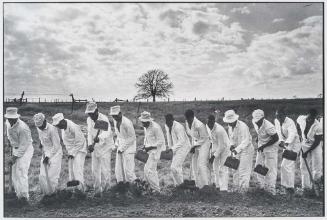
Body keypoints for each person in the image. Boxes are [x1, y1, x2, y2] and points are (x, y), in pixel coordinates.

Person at [52, 113, 87, 198]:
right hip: (72, 150)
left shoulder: (73, 127)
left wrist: (73, 153)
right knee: (71, 170)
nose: (58, 127)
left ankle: (81, 191)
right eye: (56, 125)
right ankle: (73, 190)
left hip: (80, 149)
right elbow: (66, 143)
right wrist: (70, 153)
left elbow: (80, 141)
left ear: (63, 121)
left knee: (77, 168)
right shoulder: (63, 127)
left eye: (58, 125)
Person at [5, 107, 34, 206]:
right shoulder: (8, 122)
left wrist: (14, 157)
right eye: (8, 118)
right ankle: (17, 194)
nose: (10, 120)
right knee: (14, 172)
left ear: (16, 117)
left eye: (12, 118)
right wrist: (9, 141)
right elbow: (9, 133)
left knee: (21, 171)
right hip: (15, 147)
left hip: (26, 149)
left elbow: (23, 145)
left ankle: (24, 197)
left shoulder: (23, 128)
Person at [86, 102, 114, 197]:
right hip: (95, 147)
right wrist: (90, 144)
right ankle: (97, 190)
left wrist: (100, 137)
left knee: (105, 170)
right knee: (95, 169)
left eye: (92, 114)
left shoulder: (104, 119)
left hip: (105, 146)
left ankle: (107, 190)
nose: (91, 116)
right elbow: (89, 133)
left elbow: (108, 132)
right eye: (89, 114)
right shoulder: (89, 120)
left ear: (97, 111)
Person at [34, 113, 63, 201]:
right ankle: (46, 194)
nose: (40, 128)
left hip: (55, 153)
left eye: (41, 126)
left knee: (52, 176)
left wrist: (48, 156)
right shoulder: (38, 127)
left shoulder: (52, 129)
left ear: (45, 121)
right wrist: (41, 143)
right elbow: (41, 138)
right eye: (38, 126)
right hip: (45, 152)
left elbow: (56, 145)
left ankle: (53, 195)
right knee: (43, 175)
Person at [223, 109, 254, 193]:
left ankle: (243, 191)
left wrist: (236, 150)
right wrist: (231, 145)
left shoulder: (243, 126)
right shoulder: (230, 127)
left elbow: (246, 141)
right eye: (228, 122)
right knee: (235, 170)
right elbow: (231, 138)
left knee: (243, 171)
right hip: (236, 150)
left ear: (235, 119)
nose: (229, 123)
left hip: (246, 150)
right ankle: (236, 189)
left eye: (231, 121)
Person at [275, 108, 300, 200]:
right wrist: (281, 141)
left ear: (284, 115)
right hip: (286, 144)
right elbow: (278, 132)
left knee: (287, 166)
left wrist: (286, 143)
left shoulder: (290, 122)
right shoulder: (277, 121)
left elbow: (292, 134)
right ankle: (286, 187)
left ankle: (290, 189)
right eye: (277, 116)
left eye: (280, 116)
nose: (278, 118)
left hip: (294, 145)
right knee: (283, 166)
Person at [252, 109, 279, 195]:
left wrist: (264, 146)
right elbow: (259, 132)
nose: (257, 122)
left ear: (263, 118)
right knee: (258, 166)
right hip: (262, 146)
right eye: (256, 121)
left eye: (259, 121)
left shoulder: (269, 126)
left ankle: (270, 190)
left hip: (271, 148)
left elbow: (276, 138)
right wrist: (258, 138)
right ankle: (261, 187)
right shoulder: (255, 122)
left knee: (270, 169)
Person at [296, 109, 323, 196]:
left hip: (315, 146)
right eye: (309, 117)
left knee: (317, 167)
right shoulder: (301, 118)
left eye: (312, 118)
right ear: (307, 114)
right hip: (304, 144)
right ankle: (306, 188)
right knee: (303, 166)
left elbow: (317, 141)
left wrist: (307, 151)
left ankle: (318, 188)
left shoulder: (318, 126)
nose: (309, 120)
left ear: (315, 118)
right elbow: (297, 123)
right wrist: (299, 134)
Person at [110, 105, 137, 187]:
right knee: (119, 169)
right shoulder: (115, 121)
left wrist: (122, 148)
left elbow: (132, 138)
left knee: (128, 171)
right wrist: (116, 145)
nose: (115, 118)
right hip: (121, 146)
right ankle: (122, 187)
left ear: (120, 113)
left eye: (116, 115)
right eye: (113, 116)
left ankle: (135, 187)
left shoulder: (127, 123)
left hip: (129, 147)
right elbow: (119, 135)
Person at [139, 111, 165, 192]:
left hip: (155, 151)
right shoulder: (145, 126)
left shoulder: (156, 127)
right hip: (148, 151)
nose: (143, 124)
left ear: (149, 121)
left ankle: (156, 190)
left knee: (150, 170)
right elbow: (146, 138)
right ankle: (150, 187)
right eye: (142, 122)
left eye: (145, 122)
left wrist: (150, 147)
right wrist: (144, 146)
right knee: (147, 170)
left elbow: (161, 141)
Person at [184, 109, 211, 189]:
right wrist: (192, 146)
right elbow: (191, 136)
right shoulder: (186, 123)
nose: (188, 121)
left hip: (205, 143)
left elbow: (204, 138)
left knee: (201, 164)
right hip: (196, 143)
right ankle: (197, 185)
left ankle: (206, 185)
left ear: (193, 117)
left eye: (189, 119)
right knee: (194, 164)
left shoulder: (199, 125)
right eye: (187, 119)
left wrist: (194, 146)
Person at [164, 114, 191, 186]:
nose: (168, 123)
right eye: (166, 122)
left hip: (184, 147)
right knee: (177, 167)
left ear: (173, 120)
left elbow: (182, 141)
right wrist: (170, 148)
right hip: (175, 147)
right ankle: (178, 186)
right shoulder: (166, 126)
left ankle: (181, 185)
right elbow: (169, 138)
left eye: (169, 122)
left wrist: (172, 149)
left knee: (174, 167)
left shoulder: (178, 127)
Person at [206, 115, 230, 192]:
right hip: (216, 146)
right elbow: (212, 140)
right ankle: (217, 186)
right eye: (208, 122)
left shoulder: (219, 130)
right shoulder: (207, 126)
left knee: (223, 168)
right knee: (215, 168)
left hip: (225, 147)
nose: (209, 125)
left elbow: (222, 146)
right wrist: (211, 153)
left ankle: (224, 189)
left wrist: (213, 156)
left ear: (214, 121)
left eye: (211, 123)